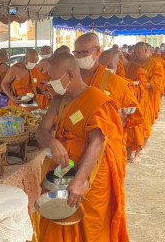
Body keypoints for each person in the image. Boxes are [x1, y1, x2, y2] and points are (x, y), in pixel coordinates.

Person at [36, 53, 128, 242]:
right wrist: (53, 143)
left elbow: (97, 142)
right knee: (58, 221)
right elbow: (40, 131)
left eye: (54, 79)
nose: (51, 84)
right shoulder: (58, 101)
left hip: (91, 173)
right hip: (64, 168)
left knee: (91, 228)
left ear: (70, 75)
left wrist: (79, 180)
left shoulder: (96, 101)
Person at [74, 33, 143, 164]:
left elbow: (134, 115)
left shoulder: (118, 84)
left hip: (107, 151)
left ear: (97, 52)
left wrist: (122, 121)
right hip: (76, 148)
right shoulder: (71, 79)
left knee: (101, 183)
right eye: (76, 53)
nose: (80, 57)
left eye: (84, 52)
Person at [133, 42, 164, 150]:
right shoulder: (133, 63)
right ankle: (132, 148)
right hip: (133, 96)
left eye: (138, 52)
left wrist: (141, 84)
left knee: (144, 122)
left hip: (146, 97)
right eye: (135, 52)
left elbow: (156, 84)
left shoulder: (155, 63)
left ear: (146, 52)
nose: (135, 54)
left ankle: (142, 147)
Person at [36, 45, 54, 110]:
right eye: (43, 53)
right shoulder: (42, 62)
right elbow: (34, 78)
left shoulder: (56, 62)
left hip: (55, 90)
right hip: (44, 91)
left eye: (47, 52)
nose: (45, 54)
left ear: (52, 52)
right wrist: (44, 81)